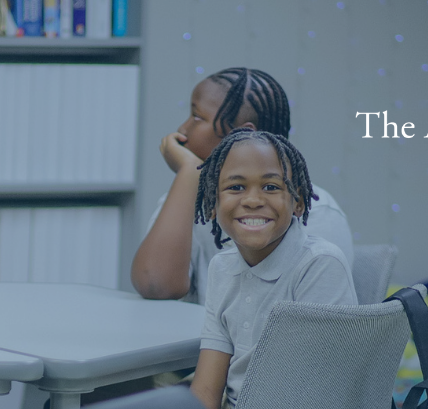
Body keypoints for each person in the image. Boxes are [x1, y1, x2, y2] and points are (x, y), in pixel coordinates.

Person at [188, 128, 357, 409]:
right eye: (236, 187)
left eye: (270, 186)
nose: (253, 200)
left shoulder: (318, 266)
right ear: (212, 203)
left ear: (299, 203)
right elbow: (208, 386)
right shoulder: (221, 267)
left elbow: (315, 398)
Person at [132, 67, 353, 302]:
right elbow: (155, 285)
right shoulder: (188, 196)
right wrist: (189, 173)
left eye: (197, 117)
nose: (182, 130)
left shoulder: (316, 212)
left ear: (242, 134)